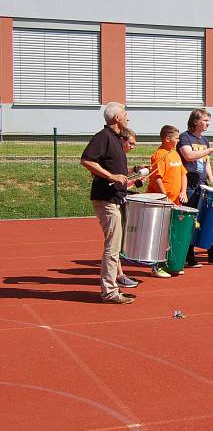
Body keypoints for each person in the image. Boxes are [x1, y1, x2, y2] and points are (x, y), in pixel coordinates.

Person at [79, 102, 136, 304]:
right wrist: (111, 175)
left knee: (116, 246)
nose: (128, 116)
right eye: (125, 114)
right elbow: (86, 160)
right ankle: (109, 292)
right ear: (115, 118)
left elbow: (115, 170)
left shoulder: (115, 139)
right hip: (106, 199)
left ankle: (112, 287)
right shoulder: (103, 137)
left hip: (115, 198)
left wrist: (132, 173)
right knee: (112, 247)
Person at [178, 108, 213, 266]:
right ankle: (188, 257)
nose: (208, 123)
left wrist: (211, 178)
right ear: (195, 121)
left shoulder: (204, 141)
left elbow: (207, 162)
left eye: (208, 120)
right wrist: (210, 150)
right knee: (191, 222)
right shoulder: (185, 138)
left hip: (203, 186)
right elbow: (188, 156)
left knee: (206, 220)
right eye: (205, 120)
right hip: (190, 186)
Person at [146, 125, 189, 278]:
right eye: (176, 138)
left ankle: (170, 264)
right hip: (162, 203)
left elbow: (183, 174)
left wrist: (183, 191)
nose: (179, 140)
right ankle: (156, 266)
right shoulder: (160, 155)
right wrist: (165, 197)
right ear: (167, 139)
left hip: (176, 202)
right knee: (159, 234)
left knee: (171, 234)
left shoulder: (175, 154)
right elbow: (157, 178)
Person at [115, 128, 142, 289]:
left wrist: (135, 170)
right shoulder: (116, 154)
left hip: (119, 198)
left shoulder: (121, 156)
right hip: (112, 200)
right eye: (131, 143)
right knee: (114, 243)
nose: (133, 146)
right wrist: (133, 183)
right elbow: (117, 181)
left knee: (117, 241)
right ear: (122, 140)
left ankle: (118, 274)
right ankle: (118, 276)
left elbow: (122, 174)